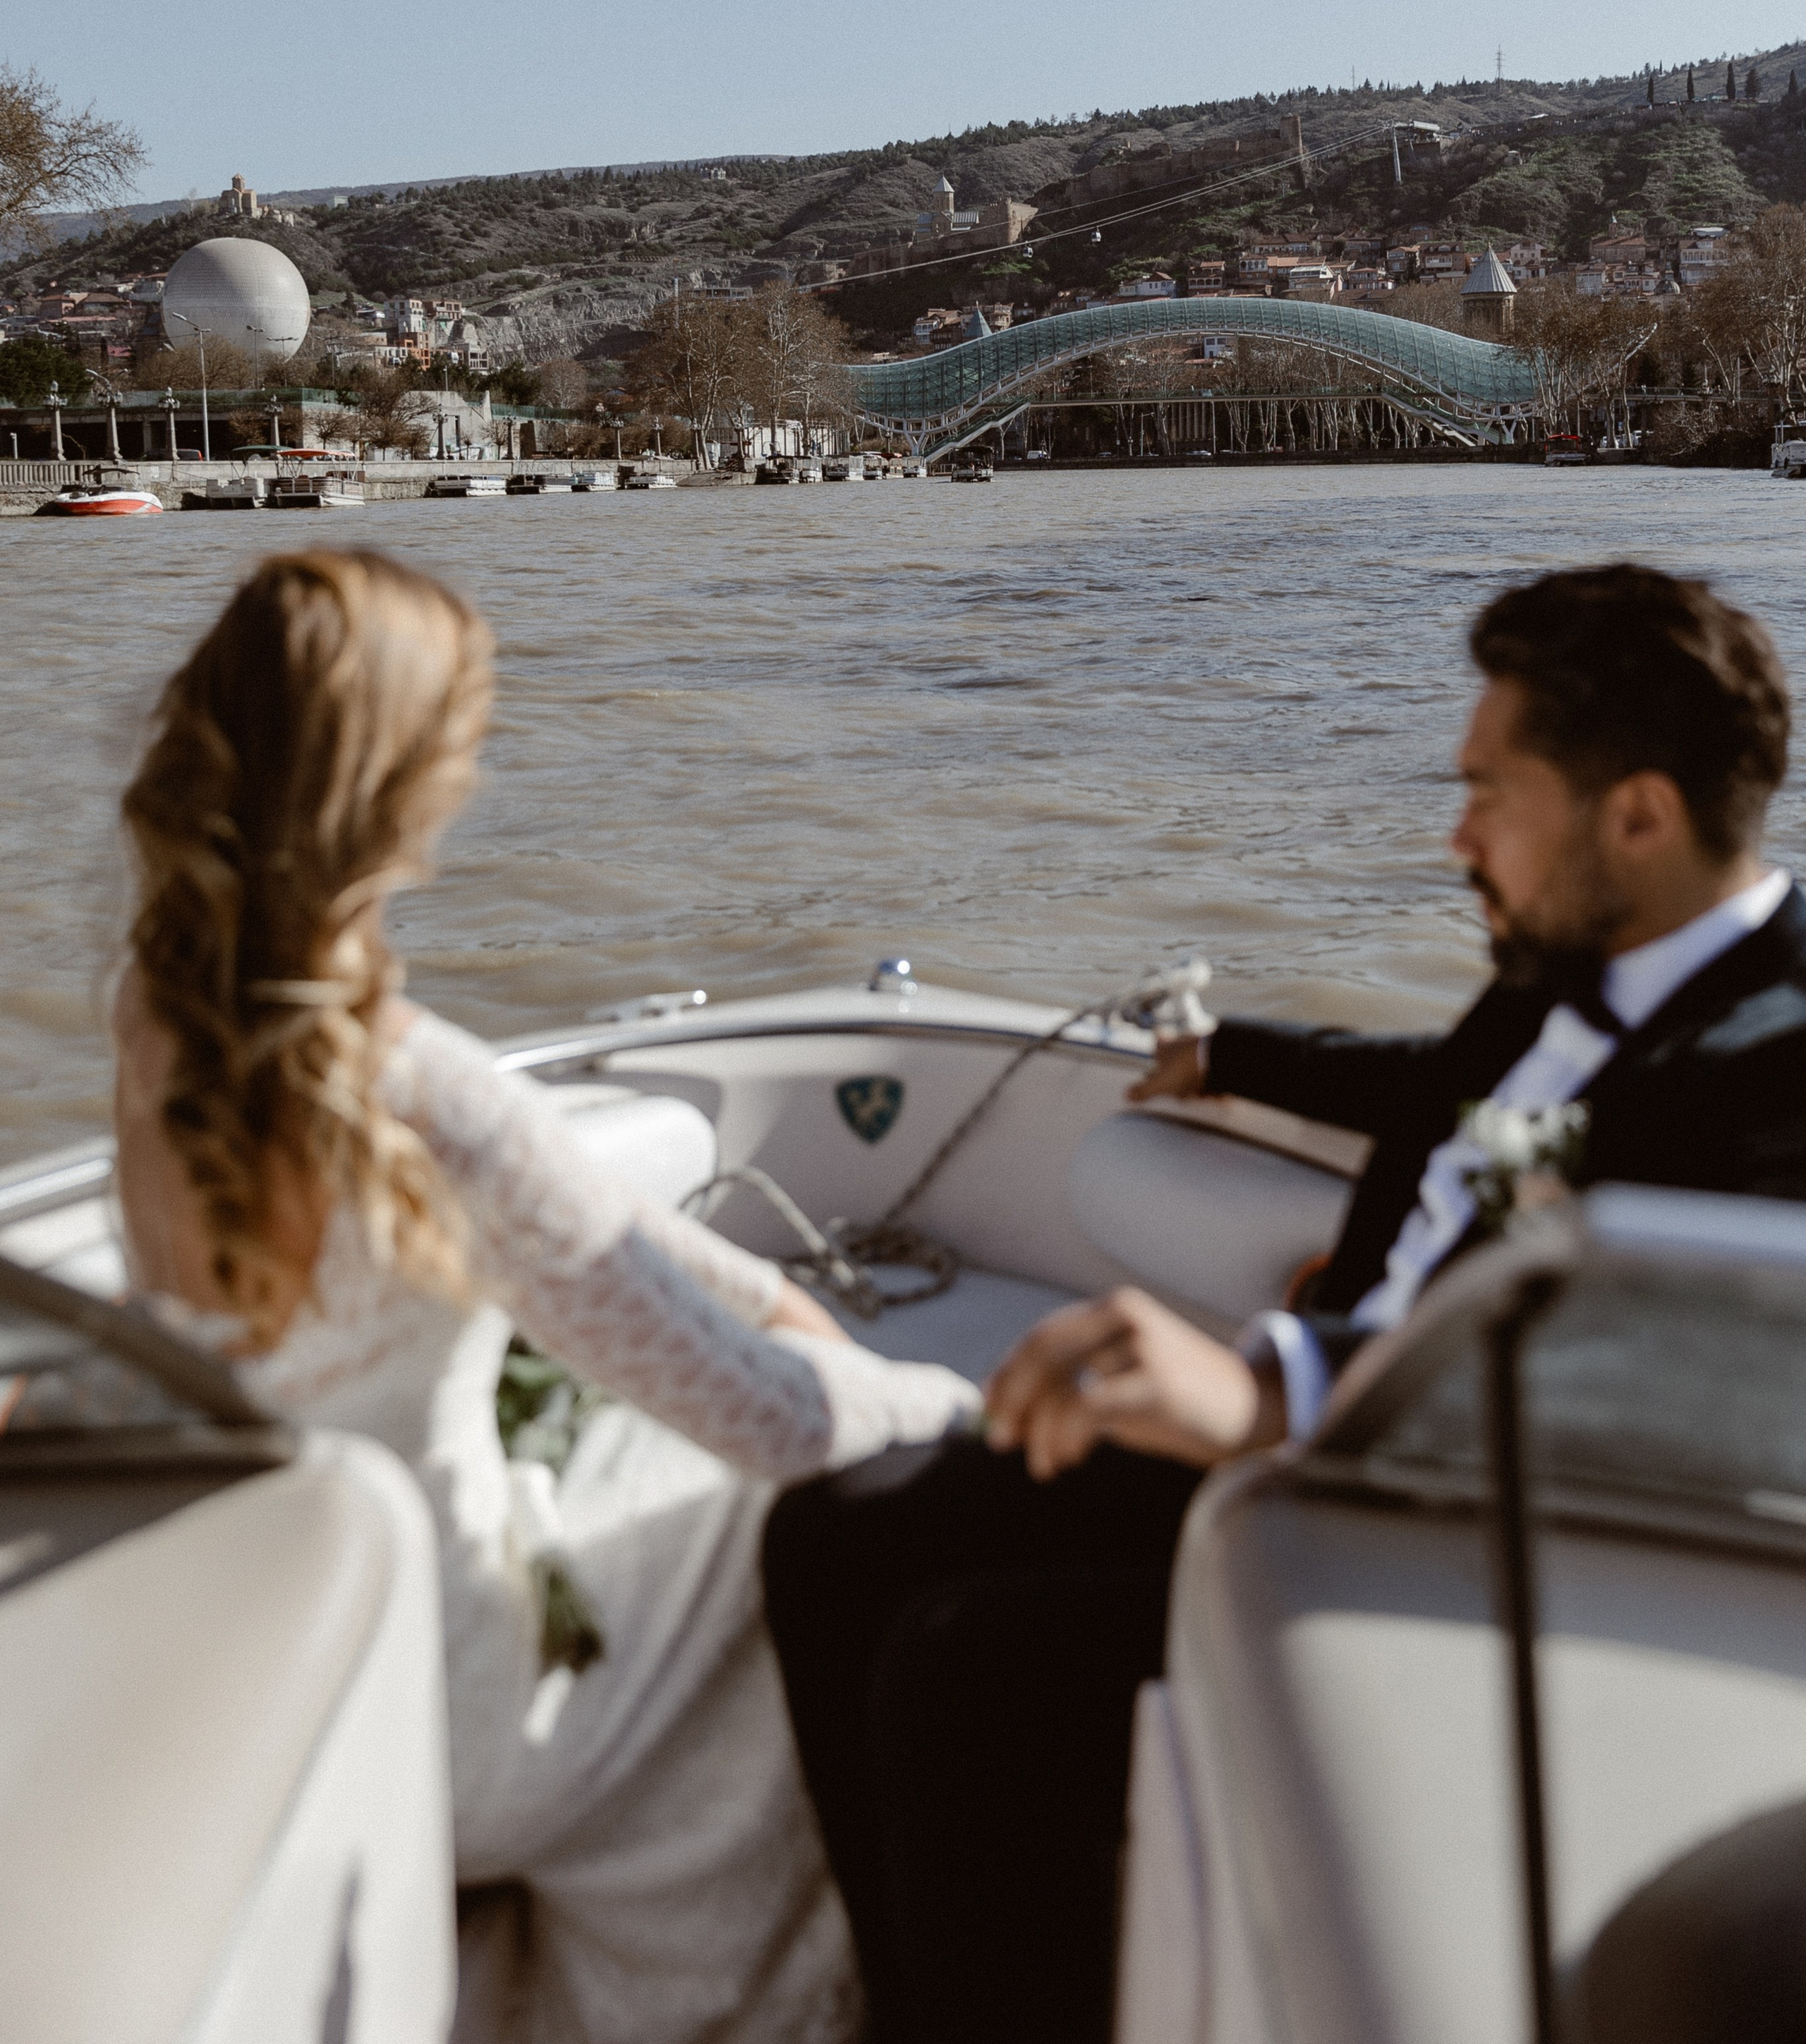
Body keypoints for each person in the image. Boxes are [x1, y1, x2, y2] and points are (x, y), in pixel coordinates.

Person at [762, 561, 1806, 2044]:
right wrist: (1234, 1056)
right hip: (1326, 1433)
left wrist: (1269, 1397)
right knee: (837, 1528)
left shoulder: (1776, 1072)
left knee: (965, 1669)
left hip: (1447, 1528)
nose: (1455, 836)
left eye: (1486, 793)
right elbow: (1451, 1092)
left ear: (1635, 815)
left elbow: (1643, 1399)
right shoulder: (1577, 952)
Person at [109, 548, 980, 2044]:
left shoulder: (158, 1014)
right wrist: (947, 1402)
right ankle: (718, 1999)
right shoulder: (425, 1093)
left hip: (287, 1646)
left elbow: (580, 1235)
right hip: (468, 1708)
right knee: (771, 1519)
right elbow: (777, 1422)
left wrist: (750, 1292)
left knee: (631, 1456)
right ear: (405, 786)